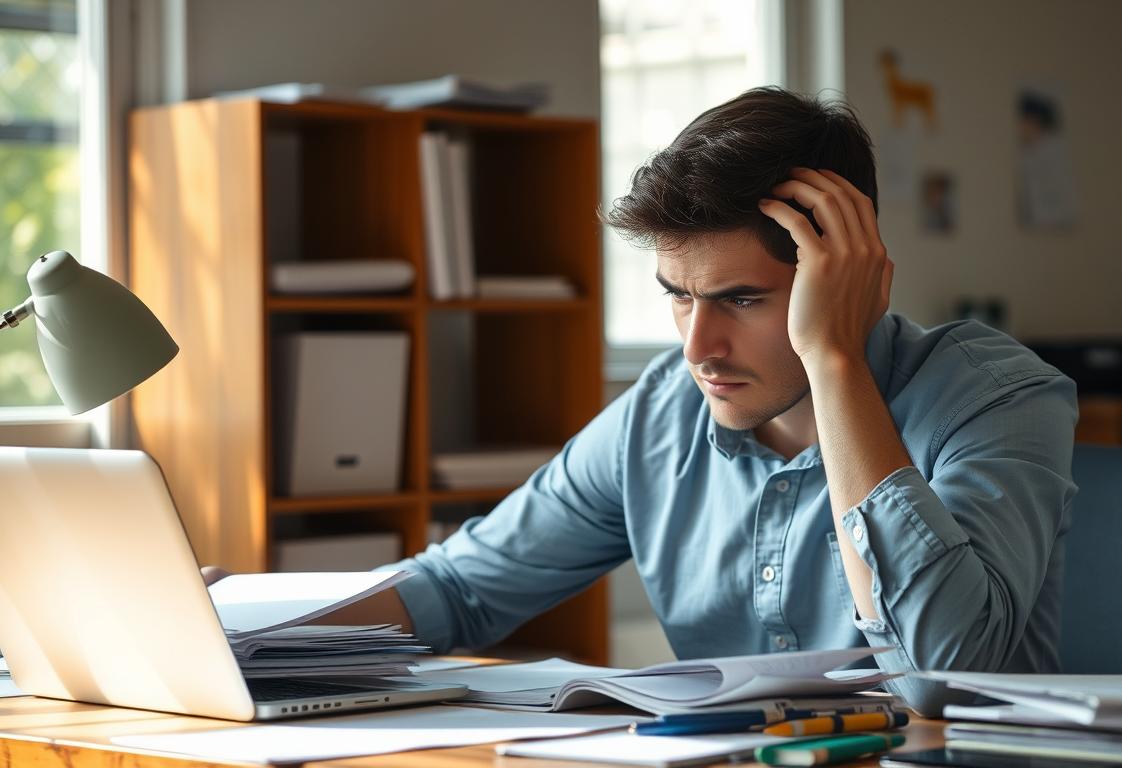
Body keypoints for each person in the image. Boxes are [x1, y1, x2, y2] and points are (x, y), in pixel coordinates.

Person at [213, 87, 1077, 716]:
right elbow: (461, 589)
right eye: (677, 295)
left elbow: (939, 675)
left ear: (844, 279)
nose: (697, 348)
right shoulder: (664, 414)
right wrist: (240, 640)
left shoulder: (995, 396)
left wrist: (836, 360)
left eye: (741, 299)